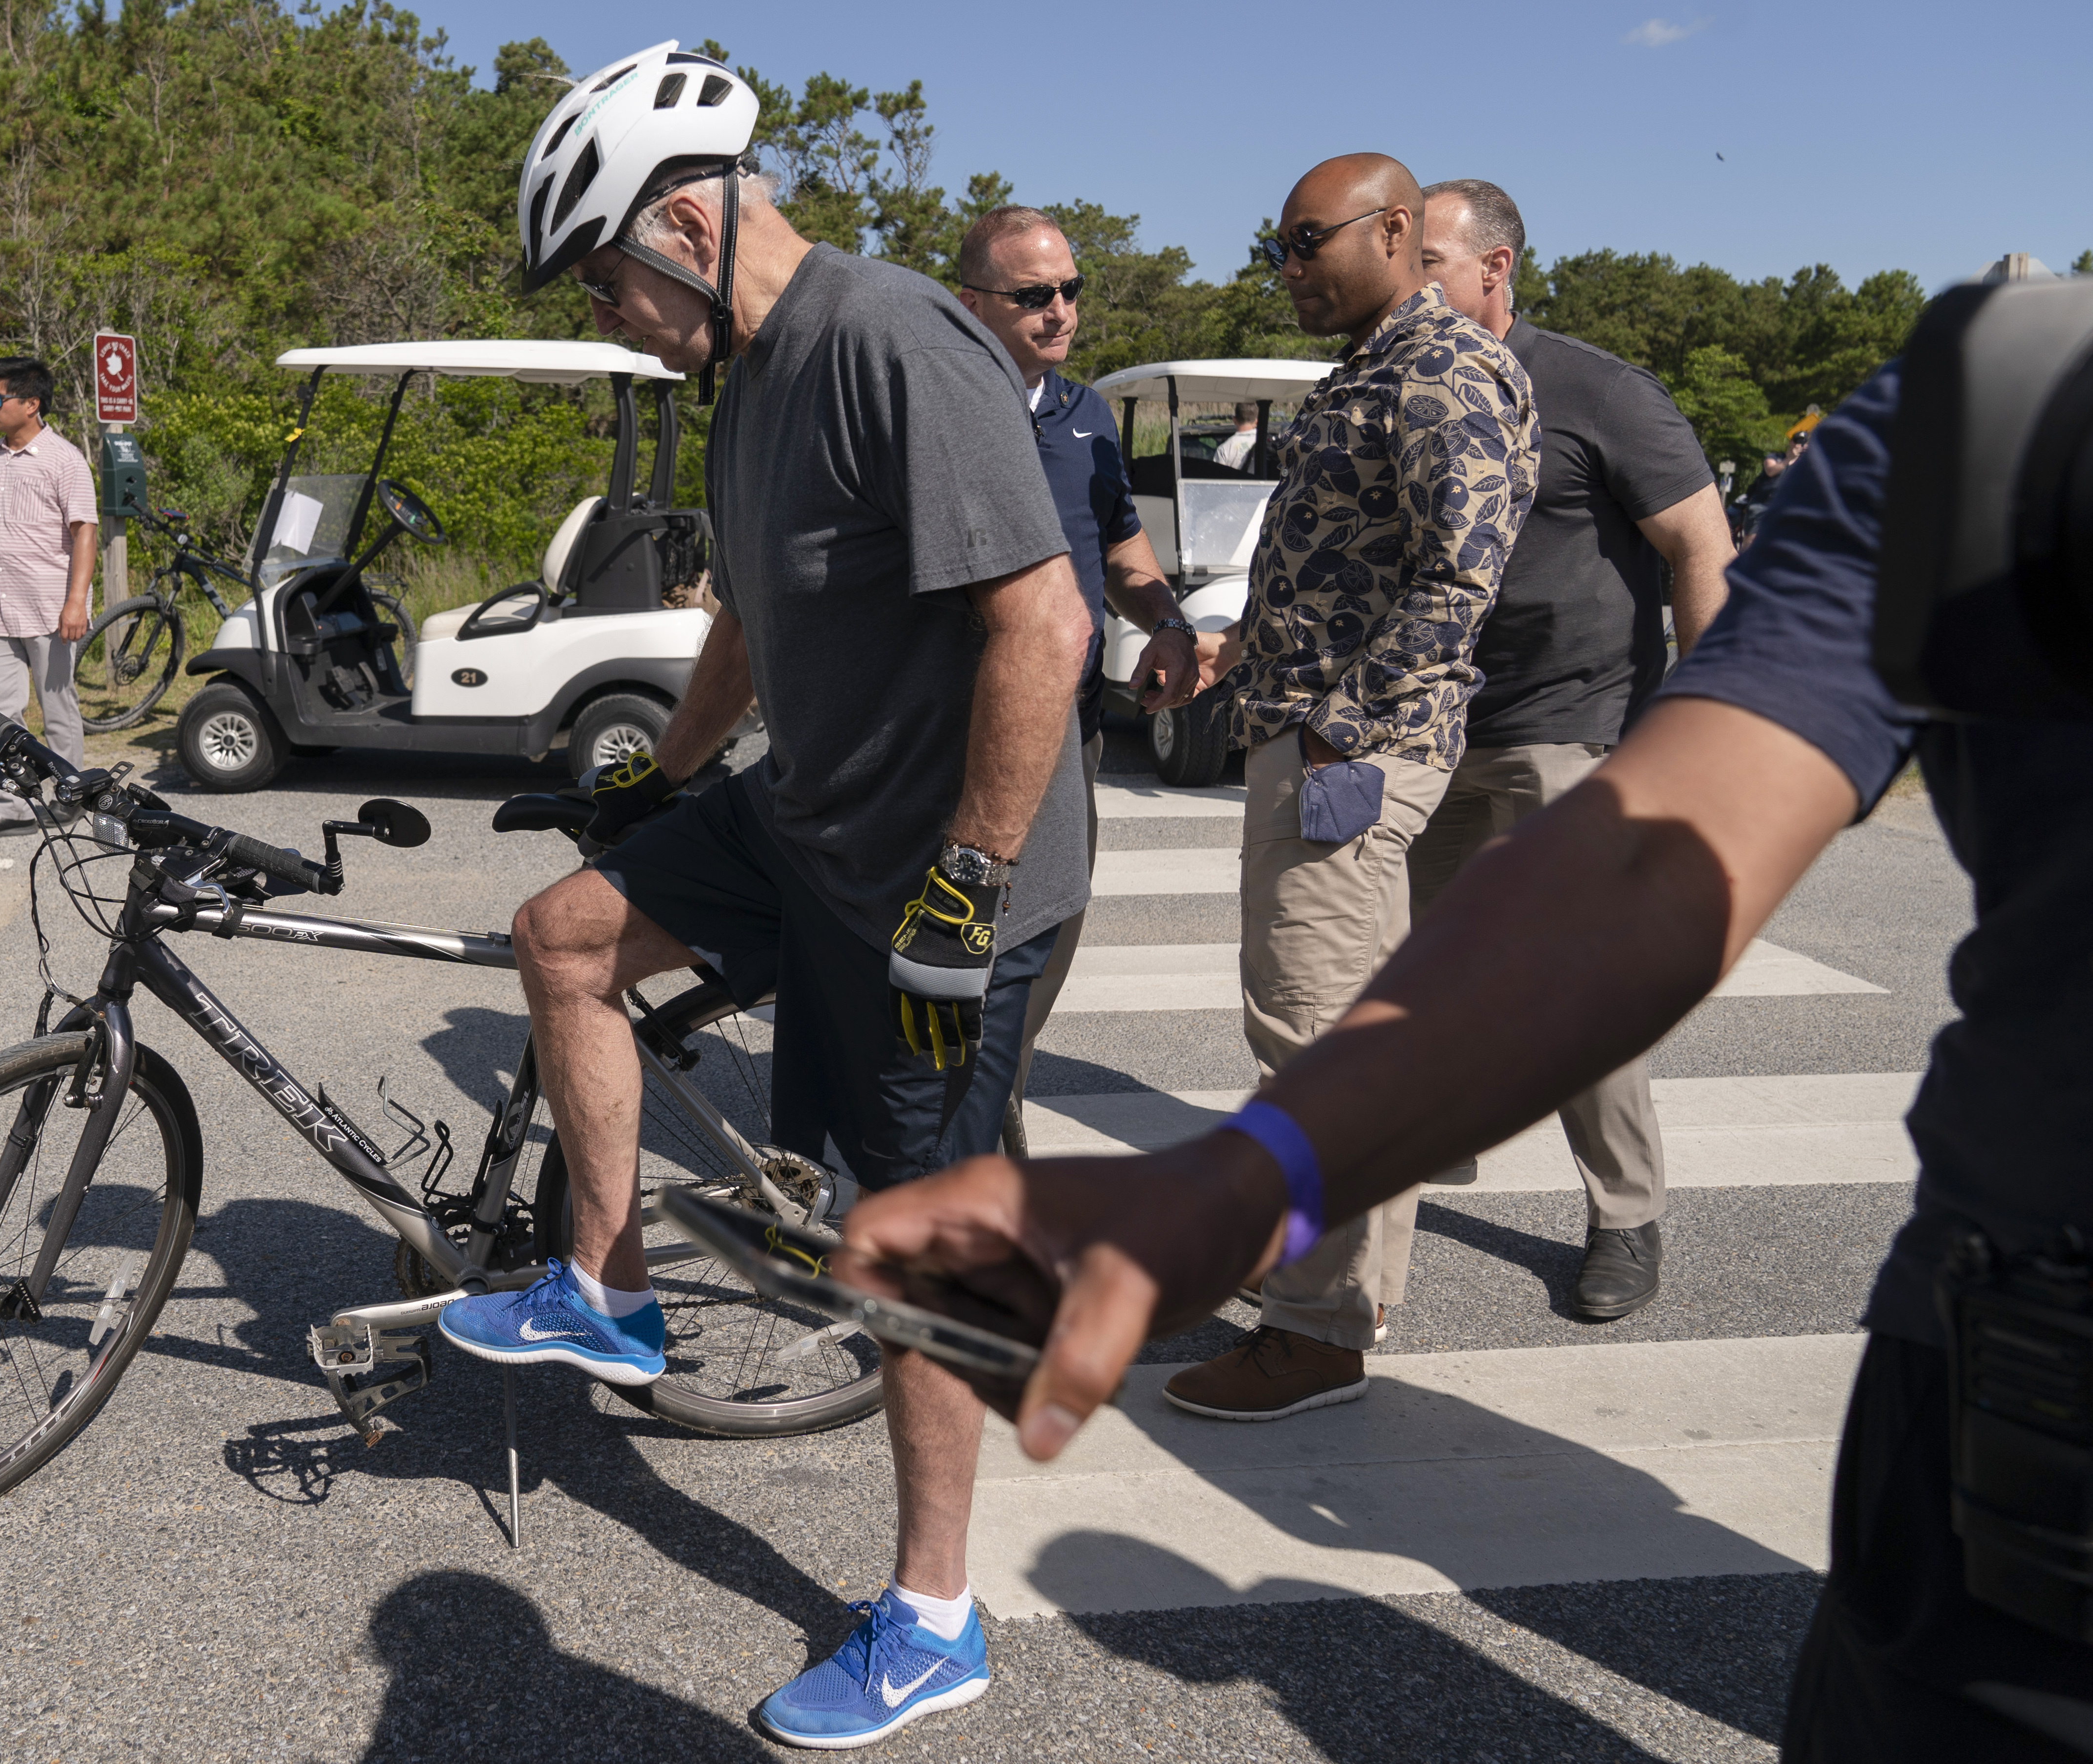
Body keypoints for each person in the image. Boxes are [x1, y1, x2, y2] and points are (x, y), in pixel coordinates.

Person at [842, 357, 2093, 1760]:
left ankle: (1619, 1214)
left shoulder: (1603, 398)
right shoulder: (1987, 406)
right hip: (2020, 1395)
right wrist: (1248, 1175)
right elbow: (1639, 868)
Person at [434, 43, 1093, 1752]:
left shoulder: (891, 340)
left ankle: (934, 1616)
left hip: (945, 873)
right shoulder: (748, 381)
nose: (614, 317)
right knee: (563, 932)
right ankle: (612, 1287)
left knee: (903, 1248)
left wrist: (969, 878)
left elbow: (1046, 626)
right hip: (810, 818)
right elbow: (745, 620)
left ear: (685, 220)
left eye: (611, 281)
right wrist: (664, 773)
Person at [1157, 153, 1539, 1424]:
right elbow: (1350, 567)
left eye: (1305, 241)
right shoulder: (1371, 367)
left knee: (1304, 1040)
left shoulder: (1436, 367)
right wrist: (1234, 653)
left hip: (1346, 761)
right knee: (1355, 1045)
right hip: (1326, 736)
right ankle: (1347, 1301)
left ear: (1391, 228)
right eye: (1275, 248)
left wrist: (1338, 735)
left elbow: (1458, 573)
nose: (1285, 270)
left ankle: (1311, 1330)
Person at [1395, 177, 1736, 1318]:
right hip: (1429, 727)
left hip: (1569, 730)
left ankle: (1623, 1217)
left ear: (1494, 268)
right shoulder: (1401, 385)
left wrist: (1704, 715)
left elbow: (1696, 541)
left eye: (1429, 260)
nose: (1409, 282)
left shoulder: (1594, 387)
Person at [951, 204, 1216, 1156]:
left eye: (1070, 290)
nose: (1059, 311)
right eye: (1033, 295)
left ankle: (992, 1106)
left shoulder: (1085, 414)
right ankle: (965, 1134)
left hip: (1068, 730)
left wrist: (1174, 622)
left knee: (1045, 936)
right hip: (948, 730)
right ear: (969, 301)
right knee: (953, 934)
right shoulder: (932, 404)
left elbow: (1120, 549)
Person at [0, 357, 96, 840]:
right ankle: (12, 810)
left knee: (58, 708)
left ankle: (69, 796)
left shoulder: (65, 460)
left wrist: (76, 602)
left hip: (49, 609)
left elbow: (85, 534)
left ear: (30, 405)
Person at [1212, 401, 1263, 471]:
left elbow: (1218, 479)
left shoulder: (1224, 449)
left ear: (1234, 420)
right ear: (1257, 421)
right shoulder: (1267, 443)